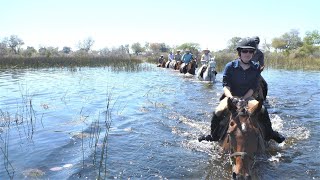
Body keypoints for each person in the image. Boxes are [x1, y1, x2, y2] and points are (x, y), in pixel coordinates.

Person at [198, 37, 285, 143]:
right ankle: (213, 135)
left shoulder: (256, 67)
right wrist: (231, 98)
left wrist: (244, 98)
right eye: (244, 51)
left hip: (248, 97)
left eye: (250, 51)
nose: (247, 53)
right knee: (218, 111)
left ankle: (270, 133)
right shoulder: (230, 66)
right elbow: (226, 86)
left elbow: (253, 87)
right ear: (240, 52)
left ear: (253, 53)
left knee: (263, 110)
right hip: (231, 96)